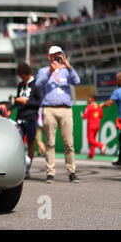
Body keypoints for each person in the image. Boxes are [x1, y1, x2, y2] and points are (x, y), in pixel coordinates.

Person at [35, 46, 81, 183]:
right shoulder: (43, 70)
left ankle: (71, 172)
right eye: (54, 55)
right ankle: (50, 173)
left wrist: (68, 66)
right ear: (49, 57)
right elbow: (38, 84)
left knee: (69, 143)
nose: (57, 57)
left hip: (66, 109)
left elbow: (77, 81)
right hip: (49, 109)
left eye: (59, 55)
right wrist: (50, 71)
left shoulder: (67, 70)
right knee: (50, 142)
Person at [14, 62, 42, 179]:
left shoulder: (37, 85)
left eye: (22, 76)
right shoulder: (20, 84)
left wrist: (26, 102)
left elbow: (40, 102)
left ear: (27, 74)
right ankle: (18, 167)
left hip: (31, 118)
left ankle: (27, 169)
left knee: (31, 143)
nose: (21, 78)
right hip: (20, 117)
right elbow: (17, 101)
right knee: (18, 143)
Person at [100, 72, 121, 166]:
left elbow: (109, 103)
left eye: (117, 78)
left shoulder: (117, 91)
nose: (116, 80)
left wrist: (101, 105)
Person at [83, 94, 106, 159]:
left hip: (91, 125)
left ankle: (101, 146)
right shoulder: (99, 106)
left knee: (90, 140)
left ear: (92, 99)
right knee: (93, 139)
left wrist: (82, 115)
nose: (88, 99)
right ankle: (91, 154)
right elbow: (101, 116)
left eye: (89, 98)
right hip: (97, 125)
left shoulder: (89, 106)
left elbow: (85, 116)